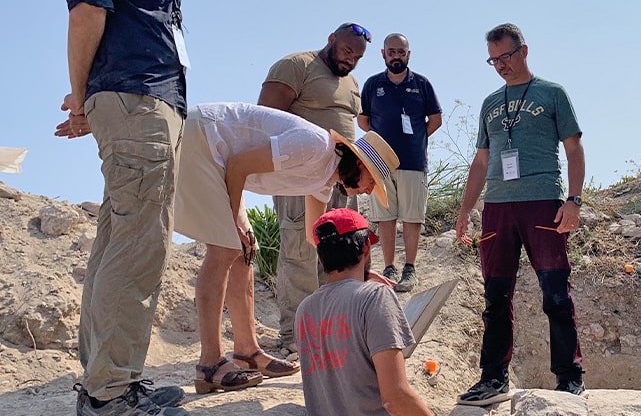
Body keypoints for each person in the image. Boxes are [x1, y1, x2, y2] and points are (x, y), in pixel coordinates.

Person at [55, 0, 227, 416]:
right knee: (139, 245)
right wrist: (81, 98)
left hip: (150, 104)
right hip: (134, 101)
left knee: (120, 239)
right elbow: (86, 11)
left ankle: (111, 379)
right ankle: (108, 399)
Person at [172, 102, 398, 394]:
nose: (369, 190)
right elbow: (239, 165)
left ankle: (246, 351)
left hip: (222, 160)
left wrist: (362, 276)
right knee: (226, 248)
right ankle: (210, 364)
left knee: (245, 251)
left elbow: (314, 237)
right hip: (202, 139)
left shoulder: (324, 178)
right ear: (360, 164)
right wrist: (232, 224)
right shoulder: (314, 146)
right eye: (372, 181)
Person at [297, 208, 475, 416]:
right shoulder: (374, 297)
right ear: (366, 248)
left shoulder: (305, 312)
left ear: (322, 256)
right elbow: (395, 398)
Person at [454, 23, 586, 406]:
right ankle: (493, 379)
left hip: (542, 202)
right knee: (496, 296)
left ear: (524, 51)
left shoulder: (552, 93)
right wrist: (465, 210)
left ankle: (569, 377)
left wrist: (573, 200)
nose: (500, 66)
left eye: (506, 56)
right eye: (493, 60)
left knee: (555, 292)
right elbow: (481, 162)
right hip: (497, 207)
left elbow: (574, 149)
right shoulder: (490, 103)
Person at [258, 22, 369, 349]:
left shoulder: (351, 83)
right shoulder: (296, 65)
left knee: (339, 252)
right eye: (348, 51)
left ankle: (331, 332)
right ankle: (296, 336)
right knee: (300, 250)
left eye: (358, 57)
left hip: (341, 180)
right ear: (331, 39)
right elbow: (264, 118)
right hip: (298, 176)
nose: (351, 61)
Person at [359, 33, 443, 293]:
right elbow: (363, 120)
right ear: (383, 54)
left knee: (411, 216)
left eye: (401, 52)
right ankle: (389, 268)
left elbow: (435, 119)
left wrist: (416, 138)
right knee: (385, 216)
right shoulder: (373, 84)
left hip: (413, 162)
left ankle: (410, 268)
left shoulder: (422, 84)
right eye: (392, 51)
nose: (397, 55)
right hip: (380, 163)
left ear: (408, 54)